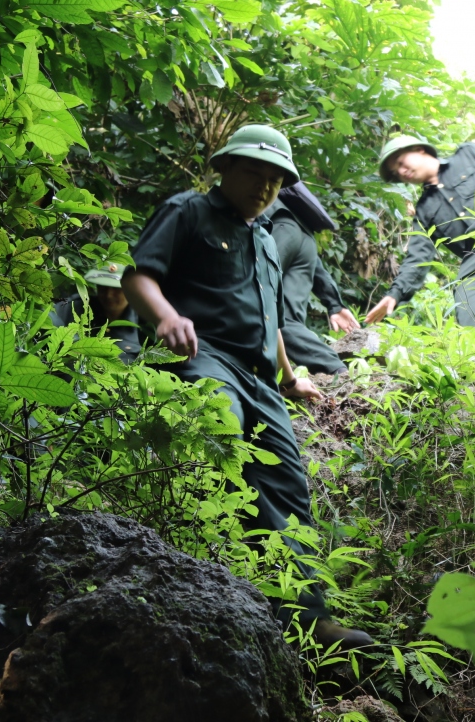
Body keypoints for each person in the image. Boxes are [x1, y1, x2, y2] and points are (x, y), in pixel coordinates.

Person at [121, 124, 373, 649]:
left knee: (289, 487)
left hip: (262, 379)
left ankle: (308, 619)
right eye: (253, 171)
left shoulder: (265, 238)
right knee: (218, 424)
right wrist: (166, 317)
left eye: (275, 178)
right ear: (226, 168)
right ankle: (193, 566)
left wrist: (291, 377)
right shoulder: (188, 211)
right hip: (206, 357)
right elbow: (138, 276)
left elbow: (271, 320)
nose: (264, 185)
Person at [364, 136, 475, 328]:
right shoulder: (424, 210)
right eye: (396, 172)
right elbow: (417, 259)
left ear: (419, 149)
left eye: (401, 162)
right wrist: (395, 294)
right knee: (466, 300)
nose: (401, 171)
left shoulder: (468, 155)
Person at [268, 181, 359, 375]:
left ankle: (336, 371)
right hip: (304, 237)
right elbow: (317, 268)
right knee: (284, 317)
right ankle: (337, 370)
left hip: (281, 227)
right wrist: (335, 304)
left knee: (264, 304)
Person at [51, 265, 141, 364]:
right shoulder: (74, 308)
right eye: (103, 287)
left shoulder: (145, 322)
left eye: (116, 289)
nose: (109, 295)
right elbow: (47, 316)